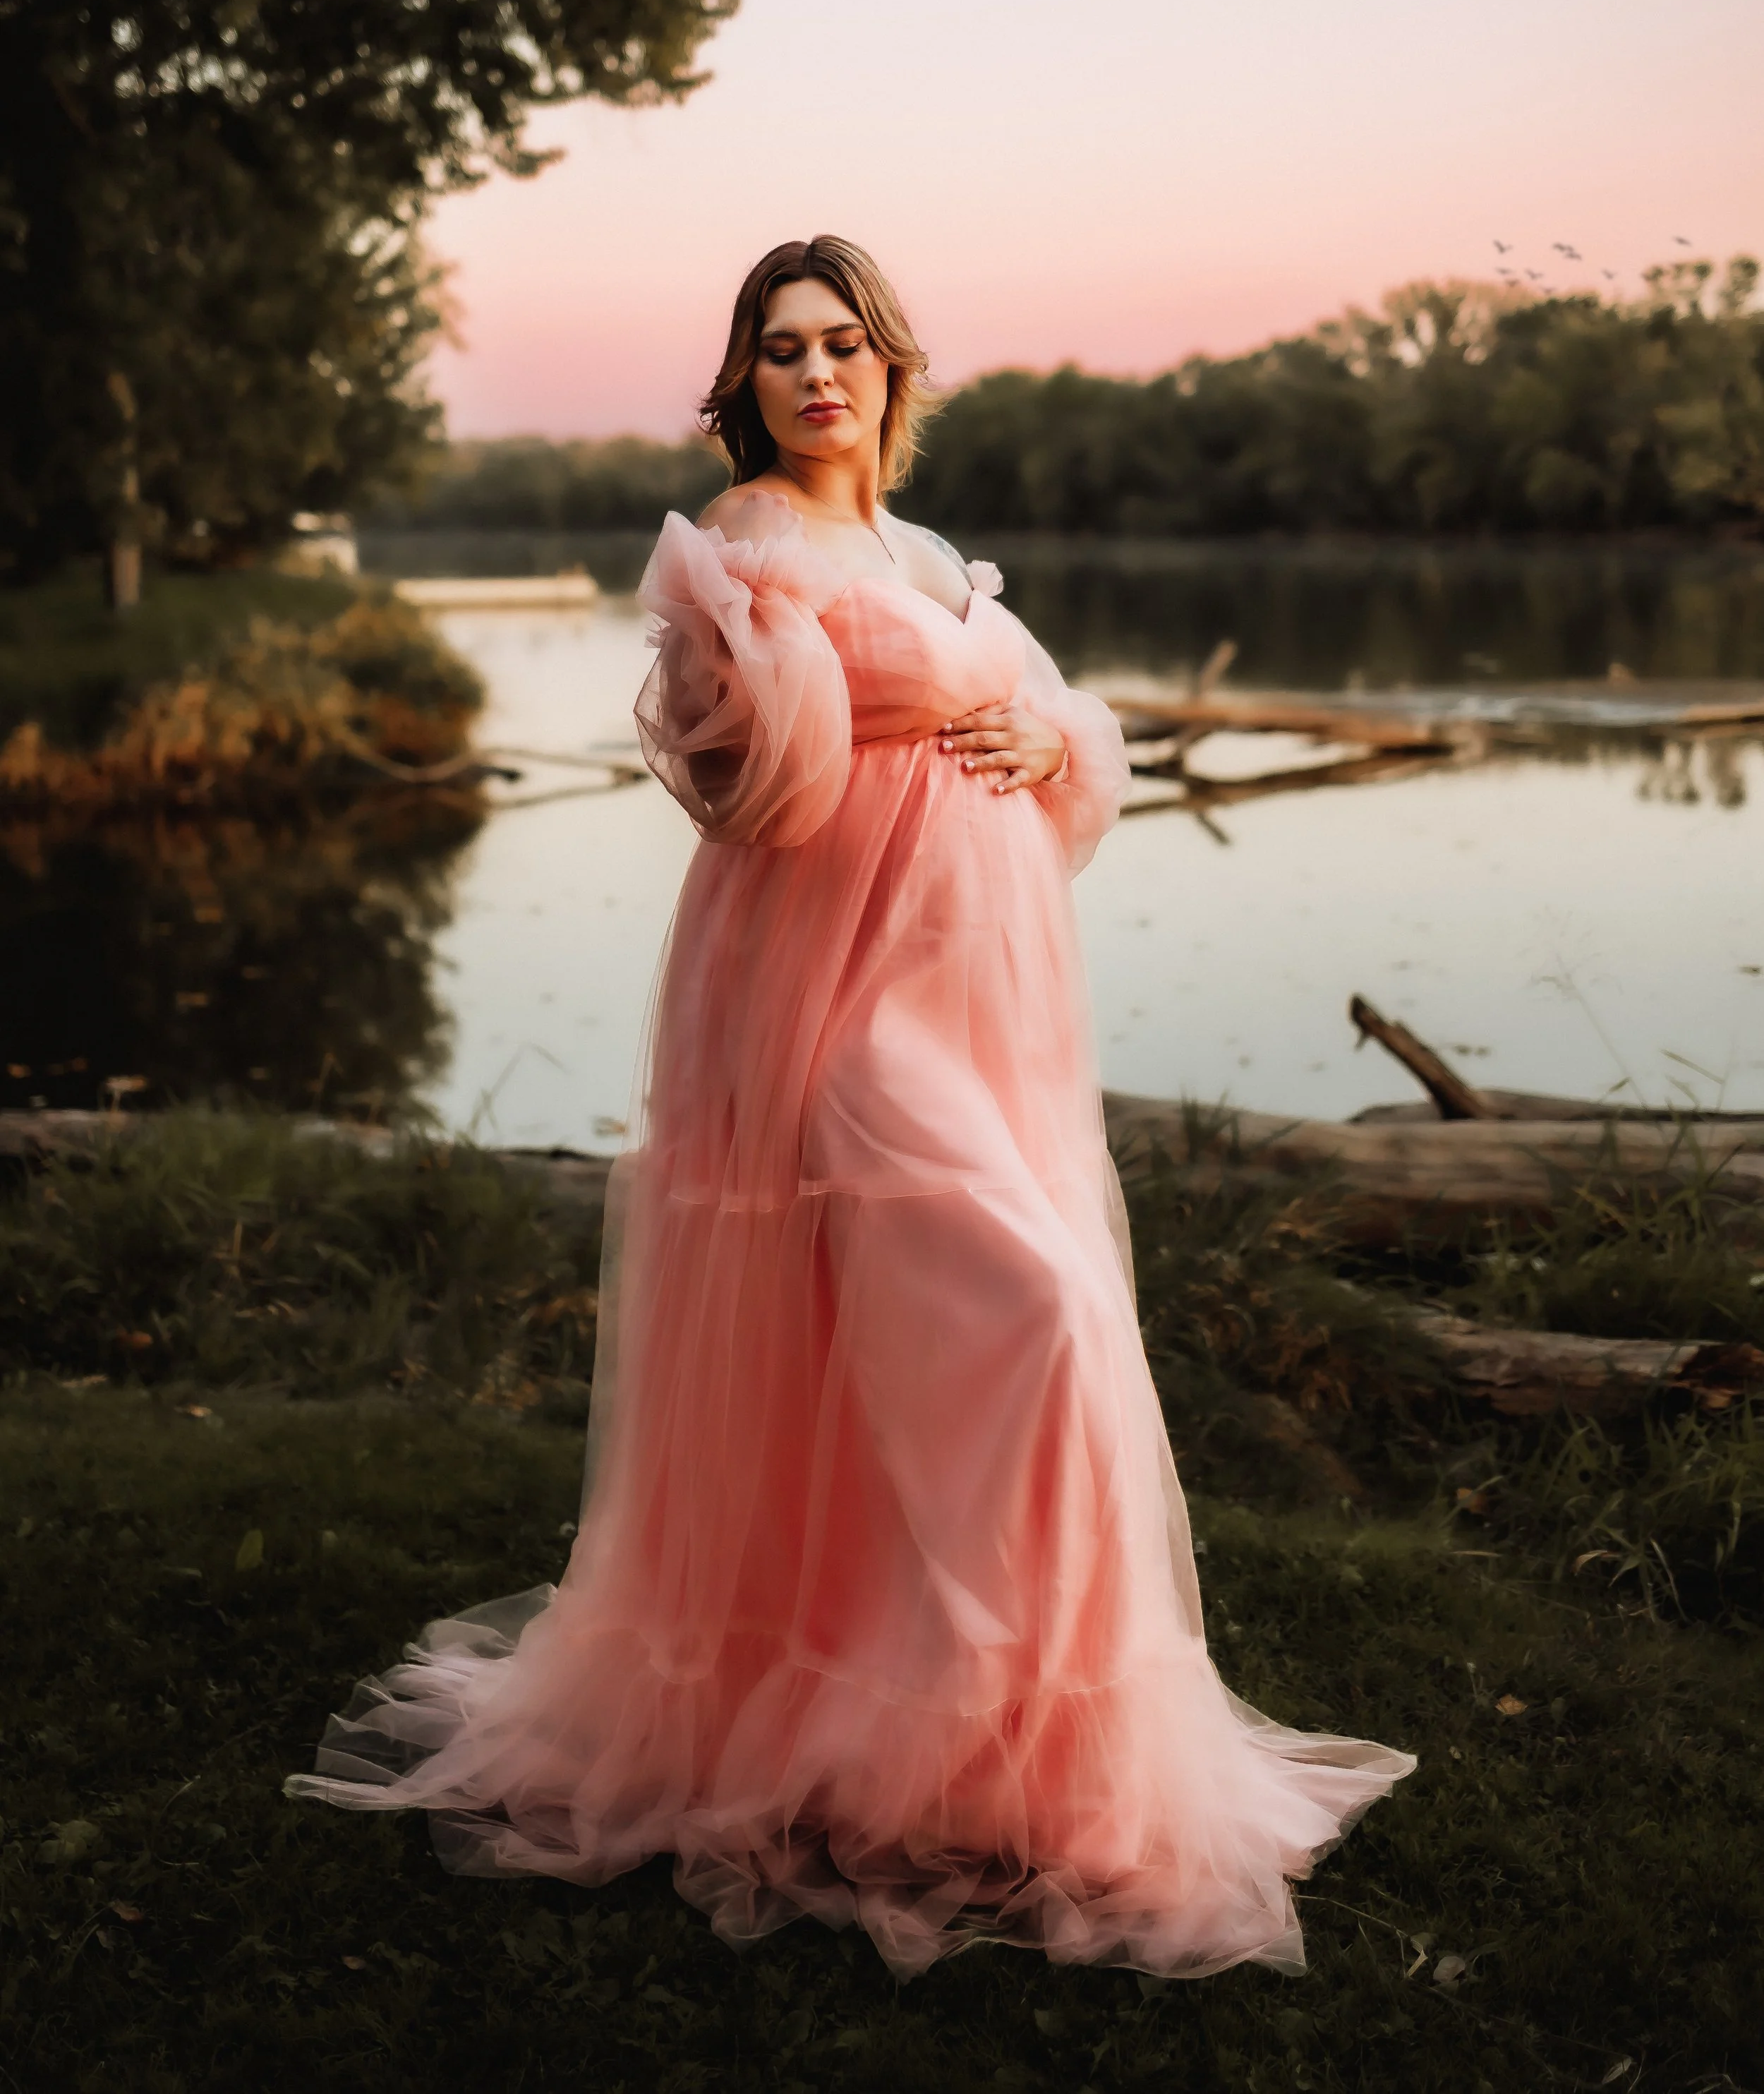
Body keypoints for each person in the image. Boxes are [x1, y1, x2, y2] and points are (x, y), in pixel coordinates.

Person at [289, 234, 1413, 1978]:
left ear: (891, 370)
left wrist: (1049, 745)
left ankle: (987, 1747)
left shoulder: (919, 553)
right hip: (829, 992)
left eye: (843, 345)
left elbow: (1047, 736)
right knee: (1023, 1308)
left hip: (984, 996)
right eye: (778, 349)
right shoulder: (743, 542)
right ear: (741, 385)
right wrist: (763, 672)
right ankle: (939, 1710)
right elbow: (742, 790)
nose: (814, 374)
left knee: (935, 1329)